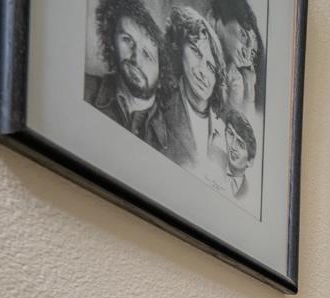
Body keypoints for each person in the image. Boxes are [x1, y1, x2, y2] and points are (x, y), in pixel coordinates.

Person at [84, 0, 166, 144]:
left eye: (147, 54)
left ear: (163, 72)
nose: (136, 59)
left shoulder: (174, 137)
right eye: (127, 40)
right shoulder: (84, 88)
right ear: (111, 42)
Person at [156, 5, 226, 172]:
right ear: (179, 50)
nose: (203, 72)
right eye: (195, 52)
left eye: (211, 66)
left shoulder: (224, 132)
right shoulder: (158, 108)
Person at [208, 0, 265, 117]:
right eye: (243, 35)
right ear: (215, 21)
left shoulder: (236, 77)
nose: (248, 55)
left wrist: (248, 86)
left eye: (253, 52)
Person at [214, 107, 257, 201]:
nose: (233, 146)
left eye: (240, 145)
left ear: (250, 161)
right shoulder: (212, 157)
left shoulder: (249, 194)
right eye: (230, 134)